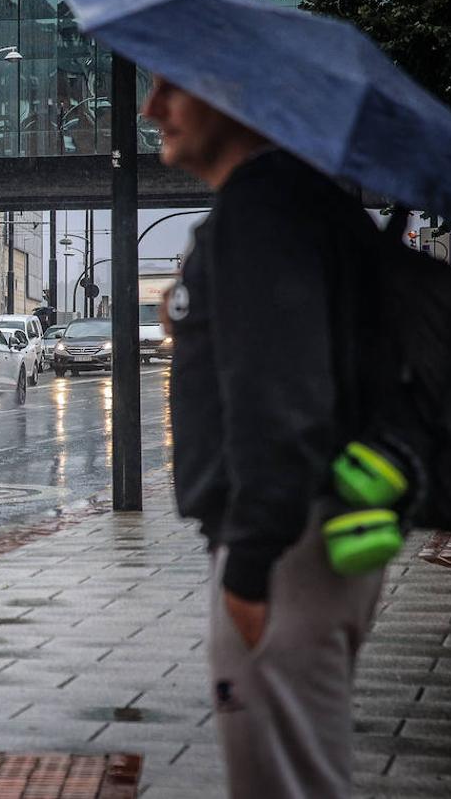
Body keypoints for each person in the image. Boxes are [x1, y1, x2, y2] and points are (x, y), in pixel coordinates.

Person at [144, 75, 384, 799]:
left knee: (284, 785)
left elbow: (283, 401)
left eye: (171, 89)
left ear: (234, 98)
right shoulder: (293, 204)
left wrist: (248, 566)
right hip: (311, 537)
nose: (151, 108)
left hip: (282, 553)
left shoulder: (261, 210)